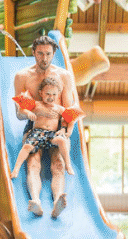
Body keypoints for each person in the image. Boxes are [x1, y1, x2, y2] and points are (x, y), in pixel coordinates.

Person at [13, 34, 81, 218]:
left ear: (54, 54)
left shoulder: (63, 76)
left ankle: (58, 199)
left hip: (57, 127)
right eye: (40, 53)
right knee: (33, 163)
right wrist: (38, 111)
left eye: (48, 54)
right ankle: (35, 201)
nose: (44, 58)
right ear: (33, 52)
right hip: (35, 126)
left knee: (58, 164)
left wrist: (66, 131)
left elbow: (69, 111)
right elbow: (19, 113)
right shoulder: (22, 77)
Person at [10, 76, 75, 181]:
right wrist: (28, 113)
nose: (51, 97)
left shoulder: (59, 109)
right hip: (37, 133)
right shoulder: (36, 104)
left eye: (54, 94)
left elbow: (71, 118)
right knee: (27, 146)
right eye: (47, 94)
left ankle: (68, 165)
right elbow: (22, 110)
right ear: (41, 93)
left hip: (51, 134)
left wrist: (67, 130)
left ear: (58, 95)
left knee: (62, 141)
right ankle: (16, 169)